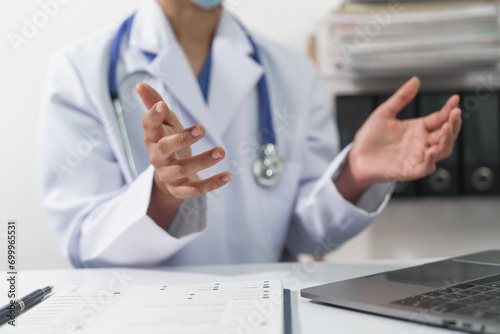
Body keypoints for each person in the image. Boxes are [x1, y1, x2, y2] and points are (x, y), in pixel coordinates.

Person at [39, 0, 461, 268]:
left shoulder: (292, 70)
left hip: (264, 312)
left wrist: (355, 173)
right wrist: (164, 195)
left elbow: (307, 237)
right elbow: (81, 242)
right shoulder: (80, 70)